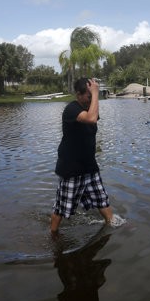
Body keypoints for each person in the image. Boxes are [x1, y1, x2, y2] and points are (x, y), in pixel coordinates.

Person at [51, 77, 114, 235]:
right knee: (61, 207)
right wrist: (96, 92)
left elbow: (93, 116)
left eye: (93, 97)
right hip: (72, 168)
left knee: (102, 199)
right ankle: (52, 234)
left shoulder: (89, 107)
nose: (91, 100)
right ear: (78, 94)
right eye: (88, 96)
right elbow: (91, 118)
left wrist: (93, 96)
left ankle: (113, 223)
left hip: (89, 166)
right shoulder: (71, 109)